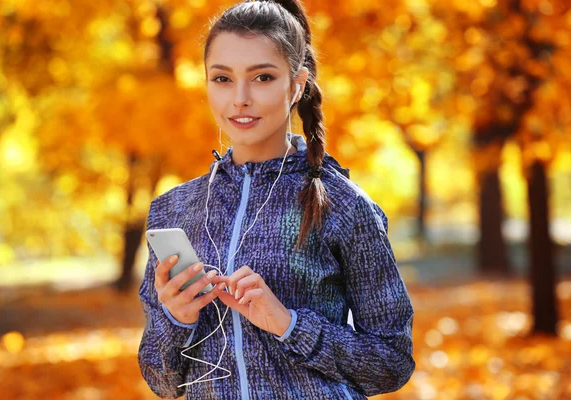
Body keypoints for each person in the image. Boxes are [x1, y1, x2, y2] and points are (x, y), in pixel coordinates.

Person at [137, 0, 415, 398]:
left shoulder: (342, 204)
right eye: (222, 79)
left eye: (263, 77)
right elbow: (162, 383)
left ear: (297, 85)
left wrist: (288, 324)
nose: (240, 99)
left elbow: (391, 363)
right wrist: (176, 319)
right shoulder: (173, 210)